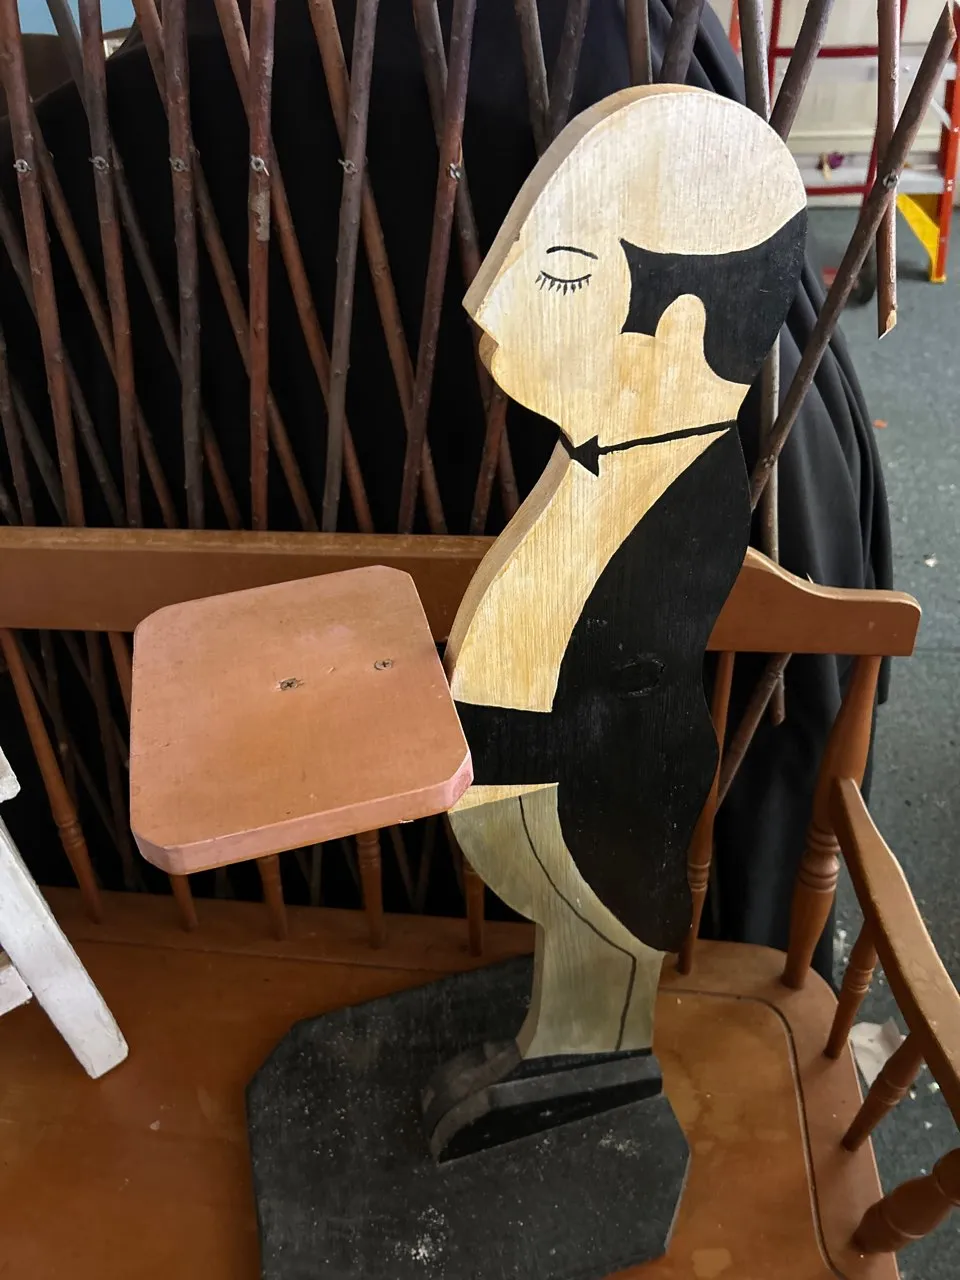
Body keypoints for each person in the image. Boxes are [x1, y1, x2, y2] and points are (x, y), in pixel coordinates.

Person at [0, 2, 890, 983]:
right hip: (561, 800)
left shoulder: (91, 135)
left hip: (464, 836)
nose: (491, 308)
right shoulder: (630, 73)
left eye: (556, 275)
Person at [447, 85, 807, 1056]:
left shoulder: (682, 494)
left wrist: (486, 740)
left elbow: (615, 682)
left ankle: (586, 1066)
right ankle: (563, 1051)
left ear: (678, 330)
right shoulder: (603, 461)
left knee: (600, 957)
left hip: (588, 800)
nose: (489, 308)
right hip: (530, 776)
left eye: (560, 274)